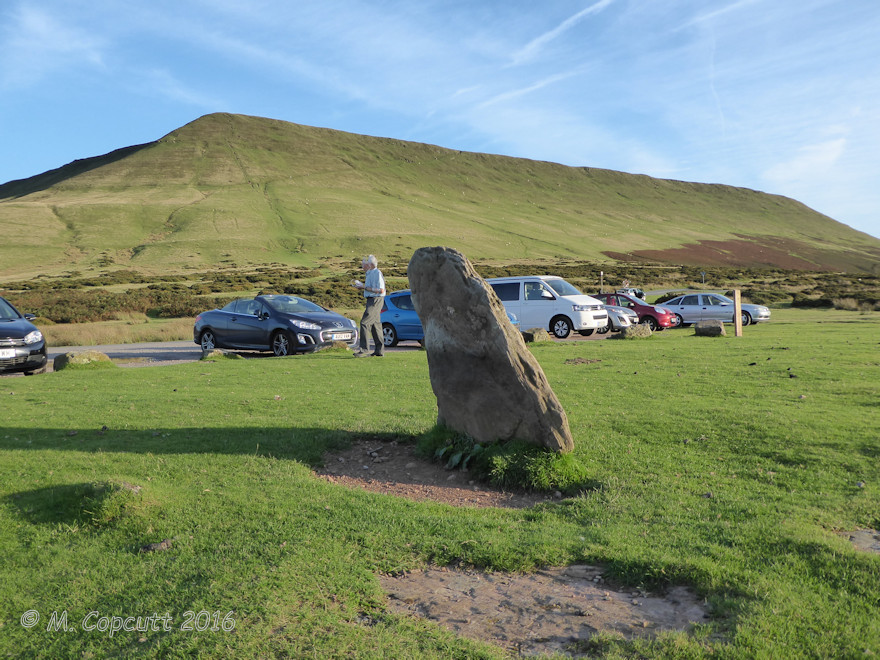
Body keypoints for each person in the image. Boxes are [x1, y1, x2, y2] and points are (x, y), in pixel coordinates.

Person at [352, 255, 386, 357]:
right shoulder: (370, 273)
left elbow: (381, 290)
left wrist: (364, 287)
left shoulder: (377, 273)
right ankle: (379, 351)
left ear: (370, 264)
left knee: (364, 323)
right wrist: (362, 287)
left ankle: (364, 349)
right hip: (372, 299)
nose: (362, 266)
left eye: (364, 264)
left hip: (376, 300)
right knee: (376, 325)